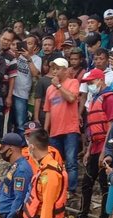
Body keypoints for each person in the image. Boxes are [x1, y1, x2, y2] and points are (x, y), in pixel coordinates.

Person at [68, 69, 113, 218]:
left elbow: (111, 125)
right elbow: (93, 128)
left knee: (104, 183)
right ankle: (83, 216)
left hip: (106, 146)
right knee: (87, 183)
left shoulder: (110, 98)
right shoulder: (96, 98)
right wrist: (89, 150)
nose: (89, 86)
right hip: (95, 145)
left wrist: (105, 150)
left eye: (91, 82)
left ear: (100, 80)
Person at [43, 57, 80, 195]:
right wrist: (45, 130)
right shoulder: (49, 89)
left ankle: (71, 190)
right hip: (54, 131)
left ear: (65, 70)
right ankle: (56, 188)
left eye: (58, 68)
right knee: (54, 162)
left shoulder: (73, 82)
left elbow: (71, 98)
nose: (54, 71)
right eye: (53, 68)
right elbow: (48, 111)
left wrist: (58, 86)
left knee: (70, 161)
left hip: (70, 128)